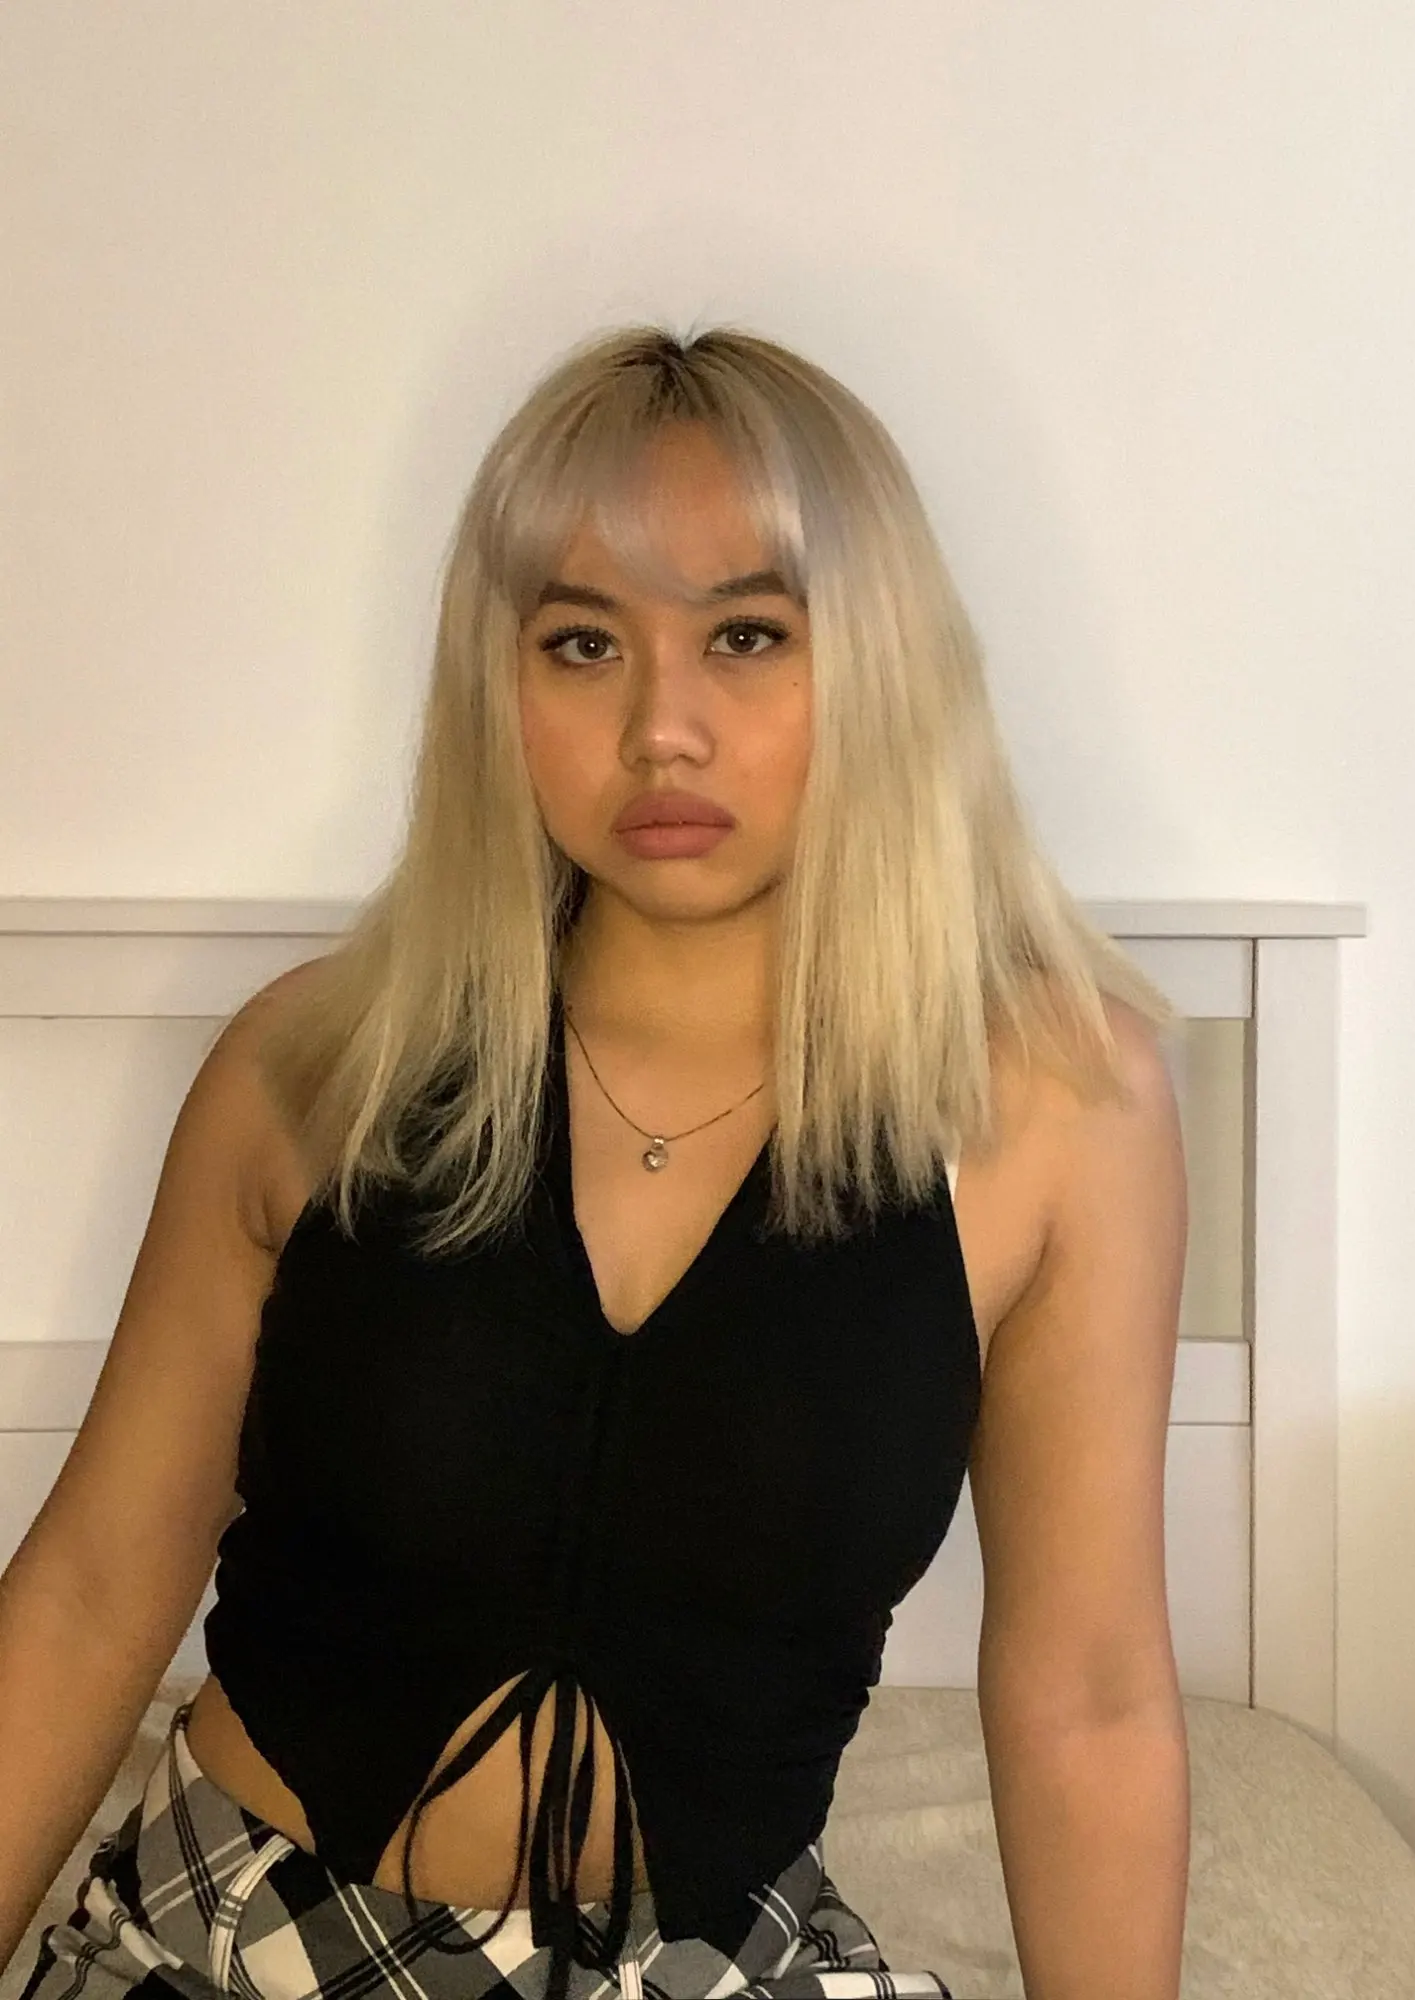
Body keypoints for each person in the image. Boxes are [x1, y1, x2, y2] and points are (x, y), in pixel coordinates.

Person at [0, 323, 1191, 2000]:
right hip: (236, 1946)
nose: (661, 730)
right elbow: (88, 1593)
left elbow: (1090, 1692)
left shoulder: (1058, 1104)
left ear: (881, 661)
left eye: (748, 636)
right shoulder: (315, 1070)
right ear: (498, 688)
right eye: (581, 643)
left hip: (706, 1966)